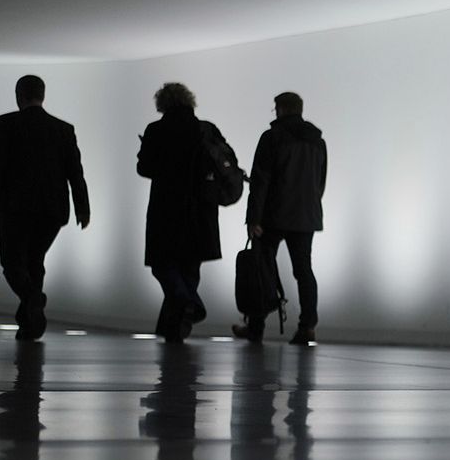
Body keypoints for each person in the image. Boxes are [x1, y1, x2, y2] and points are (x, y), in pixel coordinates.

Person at [0, 74, 92, 341]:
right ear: (42, 95)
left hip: (15, 206)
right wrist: (83, 207)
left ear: (19, 94)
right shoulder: (63, 129)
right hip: (53, 209)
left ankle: (34, 301)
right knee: (35, 261)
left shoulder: (6, 123)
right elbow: (75, 172)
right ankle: (29, 323)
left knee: (12, 263)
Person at [233, 92, 327, 346]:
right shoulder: (318, 141)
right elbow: (320, 182)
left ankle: (256, 326)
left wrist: (254, 218)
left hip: (272, 215)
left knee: (261, 268)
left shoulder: (272, 137)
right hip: (305, 216)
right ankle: (307, 326)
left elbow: (261, 180)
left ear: (281, 109)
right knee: (304, 271)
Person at [137, 82, 227, 342]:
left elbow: (145, 168)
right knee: (189, 267)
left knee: (162, 264)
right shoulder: (206, 129)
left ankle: (189, 303)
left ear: (162, 103)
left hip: (167, 206)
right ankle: (175, 328)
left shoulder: (156, 130)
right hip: (202, 208)